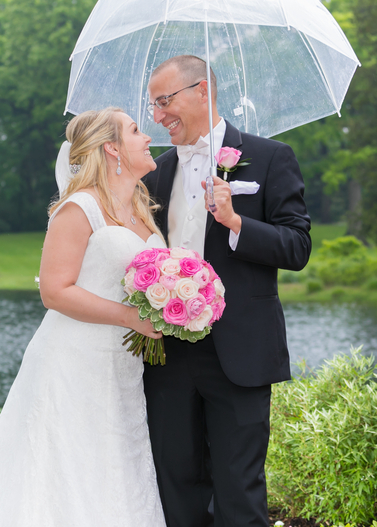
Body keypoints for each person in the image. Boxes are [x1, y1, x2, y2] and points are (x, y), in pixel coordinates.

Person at [0, 108, 167, 527]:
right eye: (137, 130)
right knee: (65, 472)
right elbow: (54, 291)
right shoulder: (80, 206)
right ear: (112, 148)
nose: (148, 137)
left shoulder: (141, 210)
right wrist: (132, 318)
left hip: (123, 367)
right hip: (72, 362)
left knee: (114, 472)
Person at [142, 55, 311, 527]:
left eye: (164, 101)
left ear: (202, 91)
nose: (157, 115)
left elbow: (298, 246)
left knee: (239, 491)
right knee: (176, 486)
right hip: (168, 355)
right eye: (153, 104)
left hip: (241, 352)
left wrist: (237, 223)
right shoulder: (155, 172)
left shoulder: (270, 157)